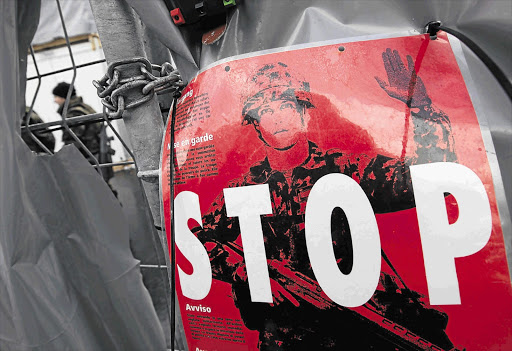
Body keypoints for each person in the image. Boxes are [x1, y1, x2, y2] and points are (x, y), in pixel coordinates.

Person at [194, 49, 456, 350]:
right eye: (265, 111)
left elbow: (432, 181)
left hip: (362, 332)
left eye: (286, 106)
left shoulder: (345, 170)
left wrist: (422, 110)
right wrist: (245, 271)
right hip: (286, 337)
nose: (278, 117)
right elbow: (198, 241)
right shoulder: (245, 186)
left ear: (303, 111)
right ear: (255, 125)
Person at [52, 82, 114, 184]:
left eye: (56, 97)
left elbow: (73, 142)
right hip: (97, 158)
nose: (55, 100)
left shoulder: (73, 113)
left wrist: (58, 160)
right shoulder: (84, 107)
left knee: (96, 193)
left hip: (87, 162)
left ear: (63, 96)